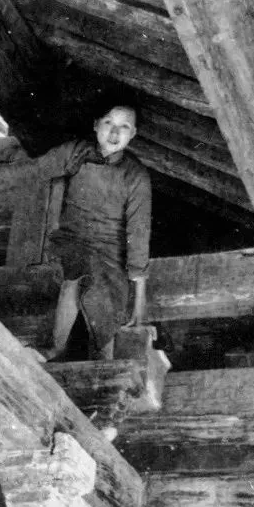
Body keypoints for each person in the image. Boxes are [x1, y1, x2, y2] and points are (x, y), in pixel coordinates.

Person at [37, 100, 151, 361]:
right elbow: (33, 170)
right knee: (74, 277)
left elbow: (139, 234)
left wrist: (140, 302)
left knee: (107, 304)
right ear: (96, 124)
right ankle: (56, 348)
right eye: (109, 122)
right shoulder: (77, 153)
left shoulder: (136, 176)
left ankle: (103, 360)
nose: (114, 133)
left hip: (111, 253)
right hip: (72, 241)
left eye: (124, 127)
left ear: (133, 133)